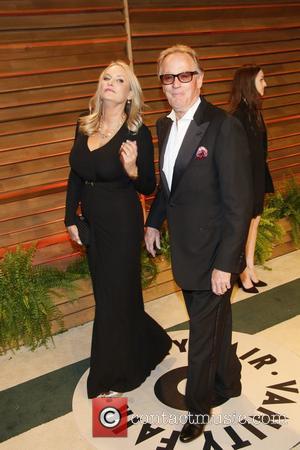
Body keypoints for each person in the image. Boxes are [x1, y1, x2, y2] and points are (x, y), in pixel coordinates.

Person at [145, 45, 253, 443]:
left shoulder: (223, 126)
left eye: (183, 75)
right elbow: (167, 186)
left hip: (214, 254)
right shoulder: (162, 125)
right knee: (216, 325)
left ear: (200, 78)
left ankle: (197, 410)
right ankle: (230, 380)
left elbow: (238, 203)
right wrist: (154, 222)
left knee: (202, 336)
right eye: (167, 78)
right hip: (185, 251)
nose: (175, 85)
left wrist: (227, 263)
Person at [65, 60, 171, 399]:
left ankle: (111, 371)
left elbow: (148, 184)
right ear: (100, 87)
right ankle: (151, 342)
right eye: (106, 78)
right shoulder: (83, 125)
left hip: (123, 223)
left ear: (129, 94)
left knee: (115, 296)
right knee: (109, 293)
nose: (111, 82)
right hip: (91, 222)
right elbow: (76, 175)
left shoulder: (135, 130)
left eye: (119, 80)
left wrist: (129, 167)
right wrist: (70, 217)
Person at [229, 65, 274, 293]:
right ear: (249, 84)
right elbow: (236, 160)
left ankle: (249, 267)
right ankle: (242, 273)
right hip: (245, 184)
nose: (265, 84)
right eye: (261, 80)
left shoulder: (255, 112)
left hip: (258, 177)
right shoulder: (237, 118)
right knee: (244, 227)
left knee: (254, 224)